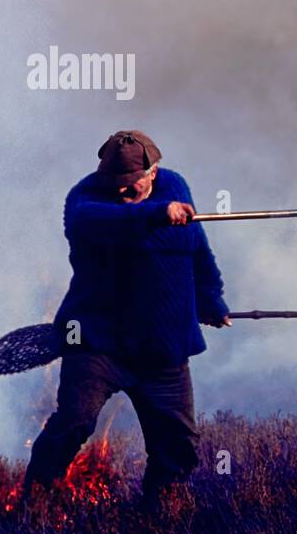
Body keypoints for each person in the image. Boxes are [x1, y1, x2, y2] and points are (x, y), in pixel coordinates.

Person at [23, 130, 230, 505]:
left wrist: (210, 300)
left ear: (153, 171)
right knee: (74, 421)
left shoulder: (175, 186)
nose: (121, 191)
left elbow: (196, 248)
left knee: (177, 444)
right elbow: (97, 221)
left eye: (131, 184)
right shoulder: (84, 198)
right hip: (99, 344)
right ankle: (34, 505)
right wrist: (154, 214)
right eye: (115, 183)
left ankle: (158, 519)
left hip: (162, 349)